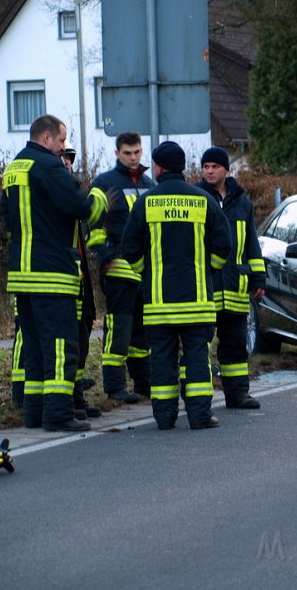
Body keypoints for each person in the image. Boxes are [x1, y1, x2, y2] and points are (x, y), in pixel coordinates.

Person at [0, 115, 107, 432]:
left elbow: (7, 218)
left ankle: (34, 413)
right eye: (61, 141)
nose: (63, 148)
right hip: (52, 273)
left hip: (22, 274)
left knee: (34, 348)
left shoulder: (14, 168)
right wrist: (101, 198)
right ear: (46, 138)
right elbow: (80, 207)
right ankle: (58, 415)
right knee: (61, 346)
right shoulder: (48, 166)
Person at [121, 141, 232, 430]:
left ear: (158, 167)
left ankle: (165, 417)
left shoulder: (146, 201)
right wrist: (207, 270)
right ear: (183, 167)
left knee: (162, 359)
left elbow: (129, 247)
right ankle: (199, 416)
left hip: (159, 303)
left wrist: (147, 274)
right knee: (197, 358)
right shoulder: (202, 199)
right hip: (197, 302)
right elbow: (224, 244)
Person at [197, 147, 266, 409]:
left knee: (236, 345)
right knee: (199, 344)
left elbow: (252, 244)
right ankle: (198, 398)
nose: (210, 171)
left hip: (236, 287)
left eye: (215, 166)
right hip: (207, 285)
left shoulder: (242, 202)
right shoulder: (197, 198)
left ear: (227, 169)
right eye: (206, 167)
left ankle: (237, 394)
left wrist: (258, 278)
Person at [88, 131, 155, 404]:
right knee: (118, 329)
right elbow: (92, 226)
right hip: (117, 271)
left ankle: (143, 383)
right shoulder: (105, 183)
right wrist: (105, 256)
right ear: (117, 154)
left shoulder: (150, 184)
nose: (133, 157)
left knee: (142, 333)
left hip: (145, 273)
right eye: (127, 153)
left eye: (137, 152)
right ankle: (115, 386)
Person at [61, 140, 101, 419]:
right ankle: (71, 398)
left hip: (79, 275)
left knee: (82, 335)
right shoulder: (54, 189)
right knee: (70, 340)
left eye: (70, 156)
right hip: (62, 277)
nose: (67, 161)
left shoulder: (68, 187)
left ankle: (76, 394)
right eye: (62, 155)